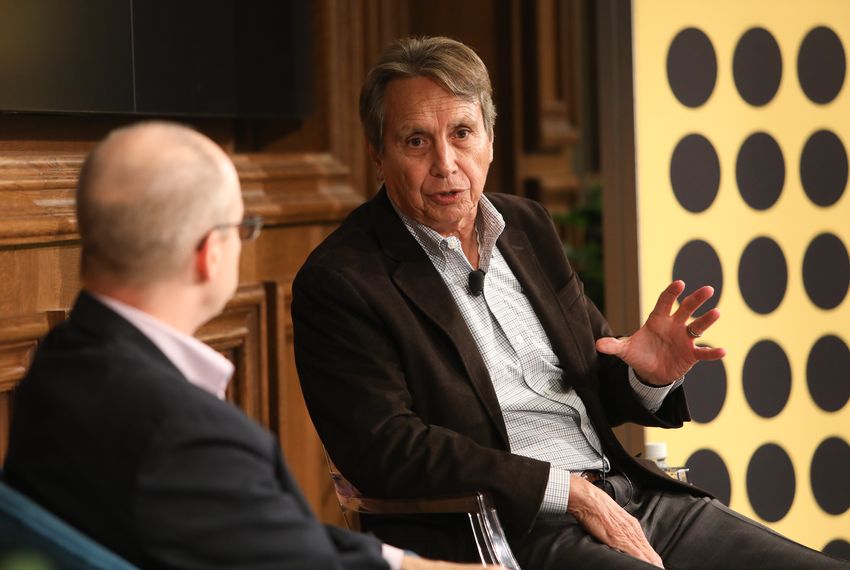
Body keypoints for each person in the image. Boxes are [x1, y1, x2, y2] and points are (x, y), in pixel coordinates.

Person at [291, 37, 848, 569]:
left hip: (628, 497)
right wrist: (568, 492)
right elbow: (388, 449)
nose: (446, 162)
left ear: (489, 139)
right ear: (377, 153)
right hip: (503, 530)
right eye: (416, 140)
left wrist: (646, 377)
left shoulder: (526, 226)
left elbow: (592, 375)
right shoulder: (342, 280)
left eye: (462, 133)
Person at [4, 122, 492, 570]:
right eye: (243, 228)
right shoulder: (185, 434)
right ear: (211, 254)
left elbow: (262, 535)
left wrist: (404, 563)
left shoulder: (58, 363)